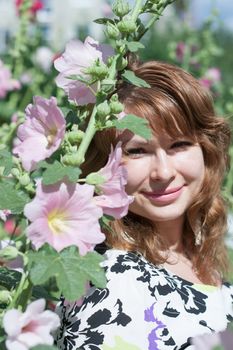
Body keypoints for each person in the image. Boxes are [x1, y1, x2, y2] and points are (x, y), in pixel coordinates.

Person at [56, 58, 233, 350]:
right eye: (137, 151)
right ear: (100, 166)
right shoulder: (106, 280)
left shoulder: (198, 258)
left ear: (206, 147)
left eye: (179, 145)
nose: (163, 172)